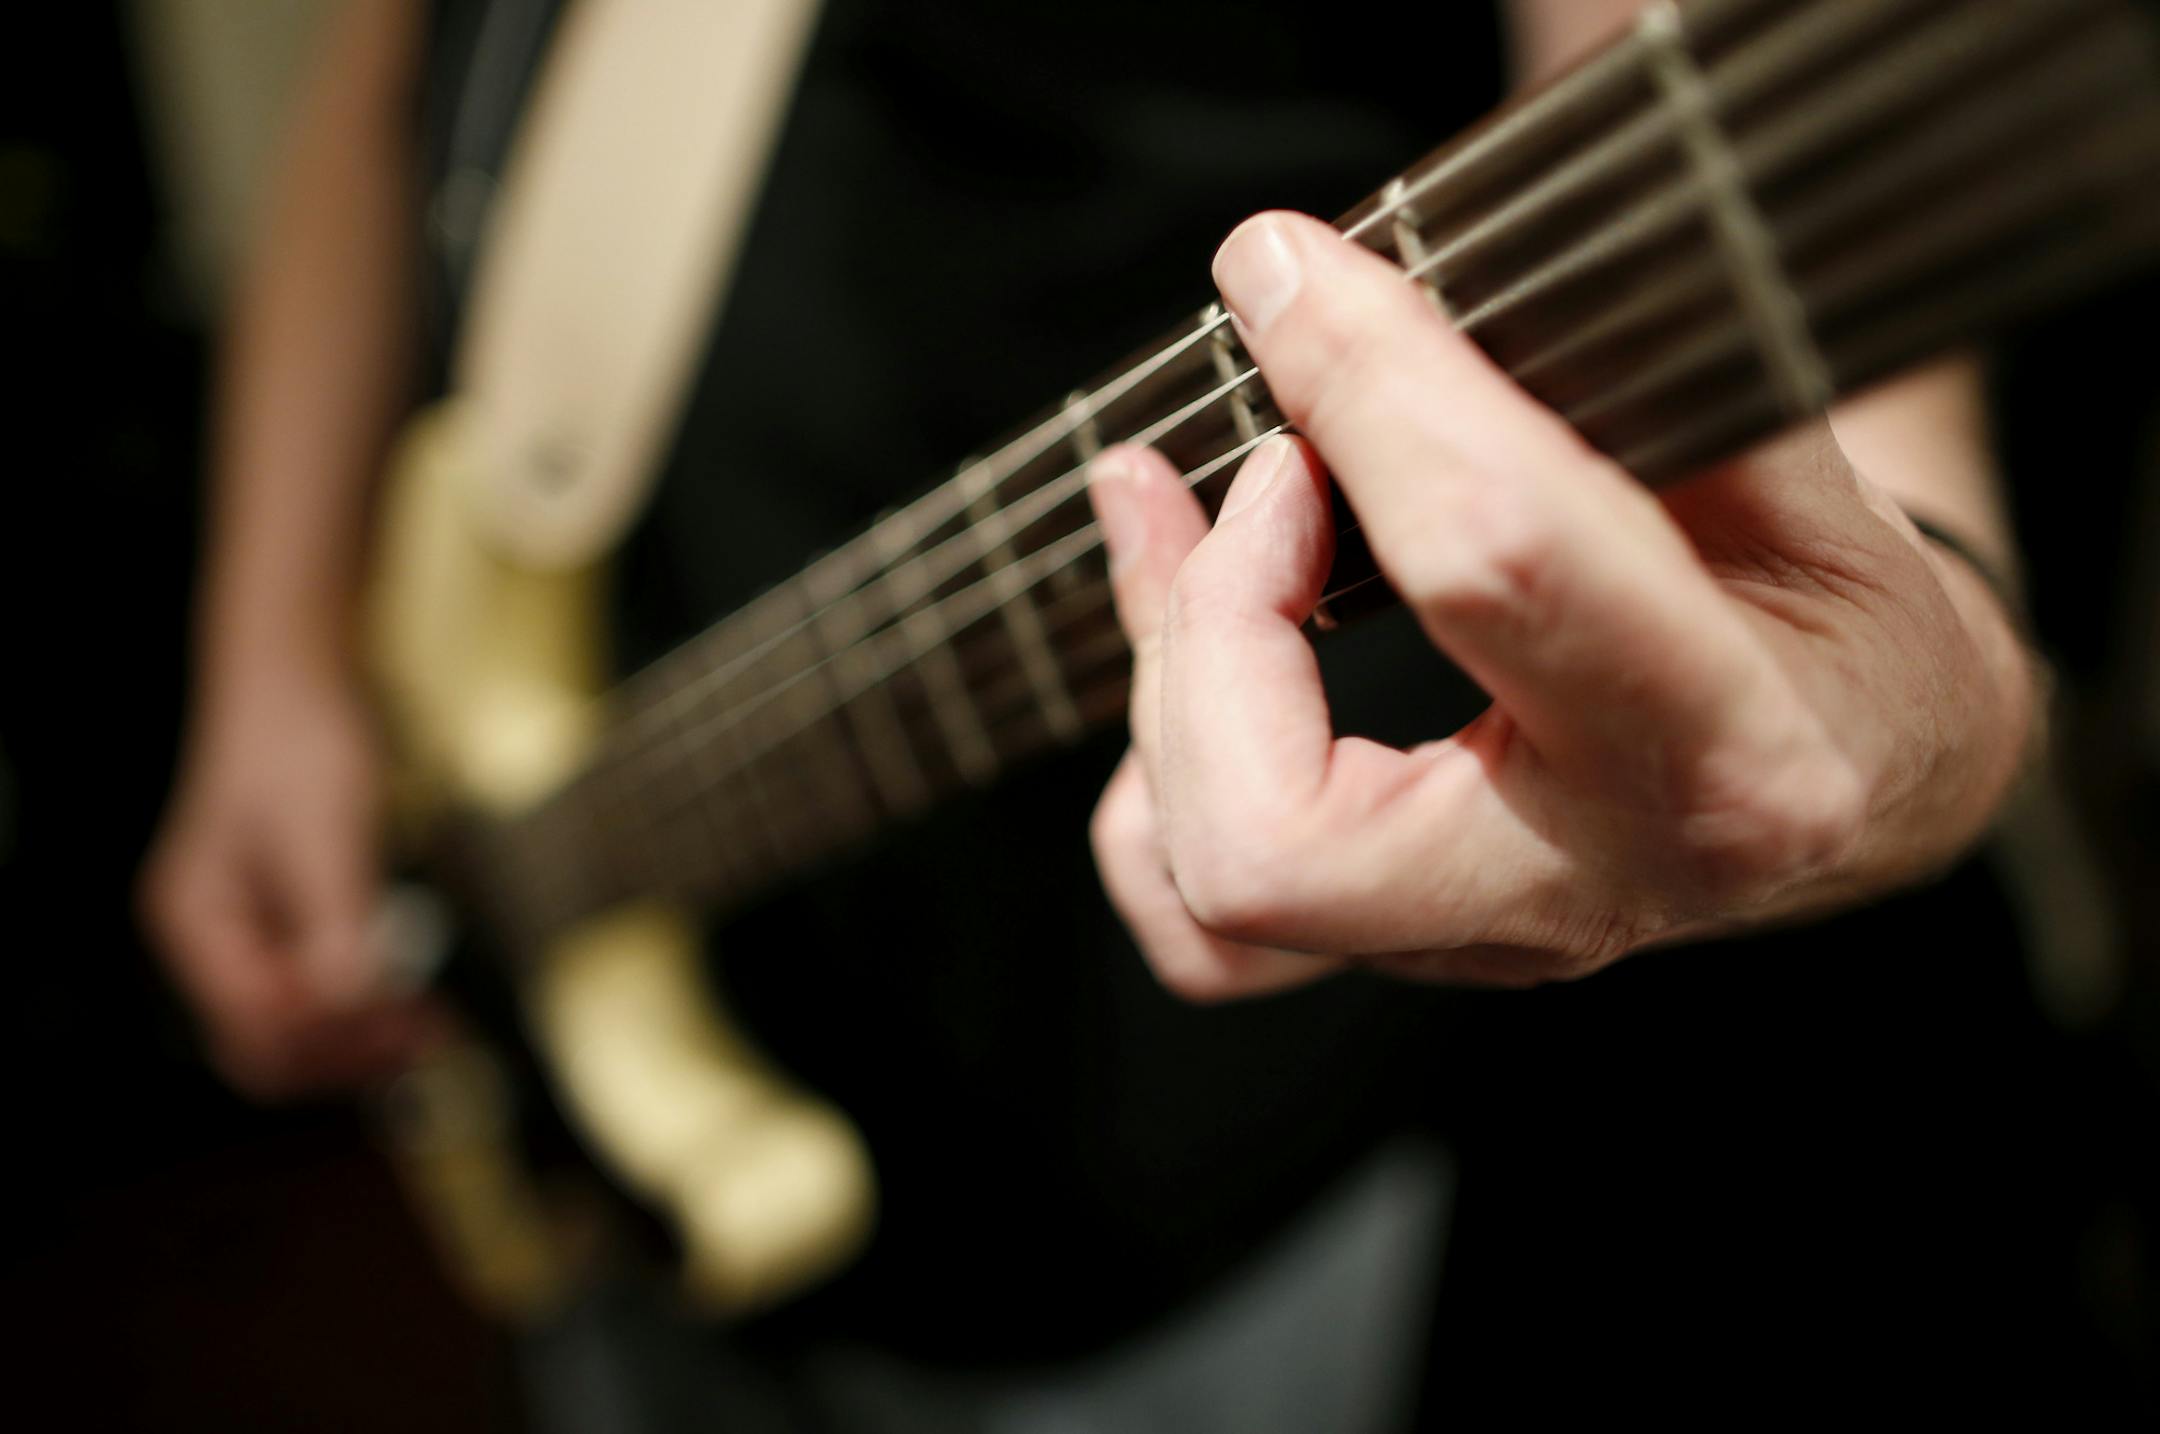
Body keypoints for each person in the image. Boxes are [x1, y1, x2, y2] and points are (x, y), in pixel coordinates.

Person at [139, 0, 2084, 1424]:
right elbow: (382, 83)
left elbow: (1800, 310)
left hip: (1165, 1139)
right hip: (609, 1042)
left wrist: (1915, 690)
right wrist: (272, 654)